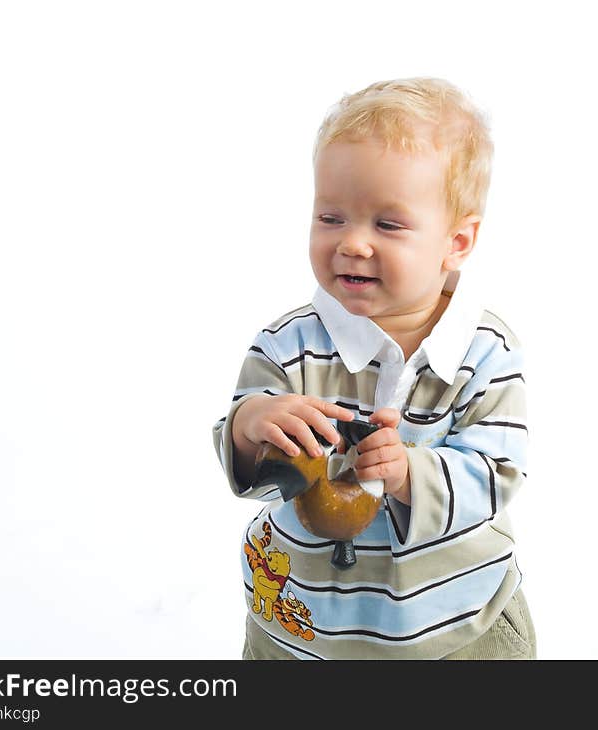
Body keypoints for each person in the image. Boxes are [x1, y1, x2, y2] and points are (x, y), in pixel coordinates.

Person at [213, 77, 536, 660]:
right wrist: (252, 423)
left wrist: (412, 473)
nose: (353, 244)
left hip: (454, 628)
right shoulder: (289, 344)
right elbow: (247, 462)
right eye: (331, 217)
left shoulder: (484, 352)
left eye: (387, 225)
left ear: (456, 242)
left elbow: (499, 472)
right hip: (302, 627)